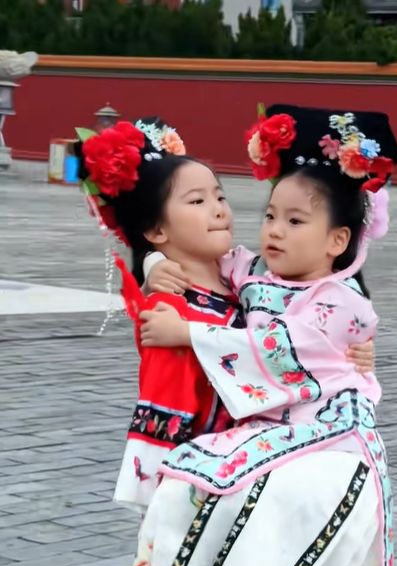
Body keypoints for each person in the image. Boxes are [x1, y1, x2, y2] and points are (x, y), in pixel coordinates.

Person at [110, 104, 397, 566]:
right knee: (189, 491)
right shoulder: (257, 276)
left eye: (295, 221)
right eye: (270, 215)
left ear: (339, 240)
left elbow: (283, 351)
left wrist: (190, 336)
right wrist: (154, 262)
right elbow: (192, 256)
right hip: (269, 438)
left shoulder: (342, 305)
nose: (272, 230)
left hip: (332, 445)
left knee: (268, 531)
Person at [75, 116, 373, 513]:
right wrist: (161, 491)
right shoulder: (173, 310)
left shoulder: (241, 279)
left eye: (219, 196)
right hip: (207, 482)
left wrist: (347, 352)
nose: (218, 210)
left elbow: (298, 333)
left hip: (270, 455)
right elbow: (165, 403)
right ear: (156, 230)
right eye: (197, 202)